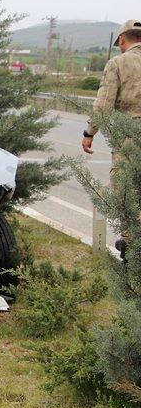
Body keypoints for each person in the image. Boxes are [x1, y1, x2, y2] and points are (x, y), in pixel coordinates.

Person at [82, 19, 141, 260]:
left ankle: (132, 246)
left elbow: (104, 104)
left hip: (130, 135)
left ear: (123, 40)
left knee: (127, 191)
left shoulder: (118, 63)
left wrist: (89, 133)